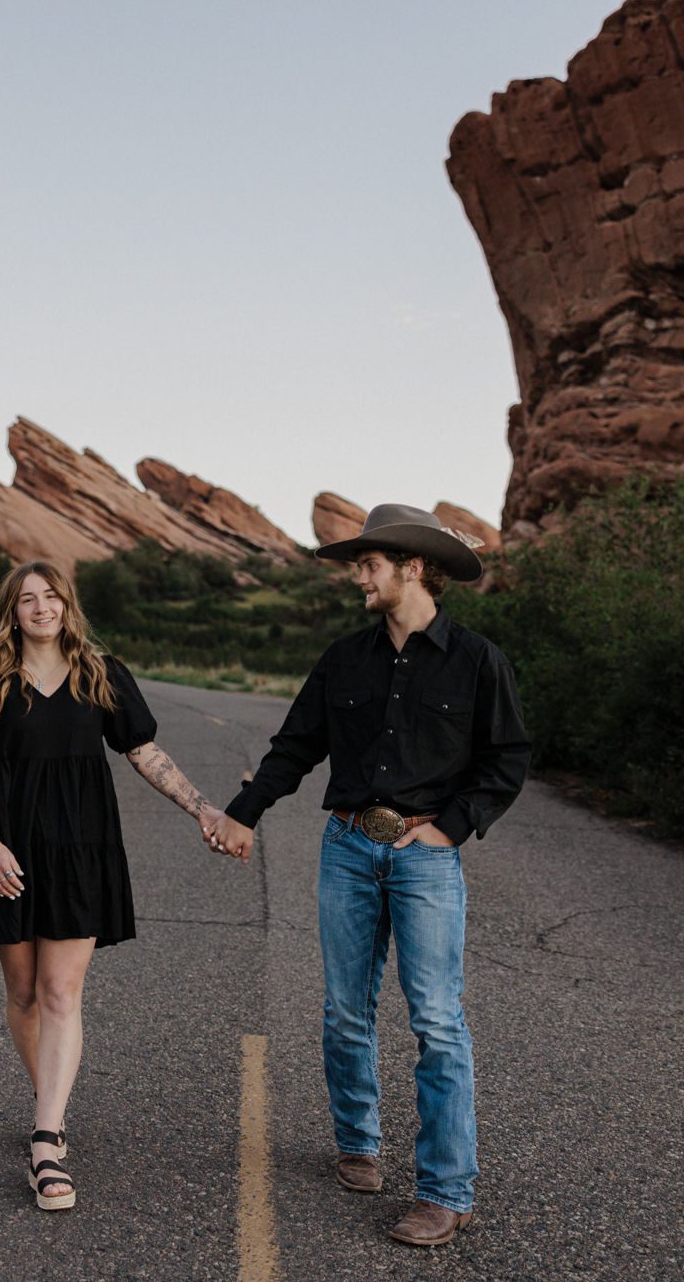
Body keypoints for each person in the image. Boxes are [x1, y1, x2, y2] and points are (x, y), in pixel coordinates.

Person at [205, 504, 529, 1248]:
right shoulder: (345, 658)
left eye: (369, 564)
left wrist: (446, 829)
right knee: (345, 1010)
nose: (359, 576)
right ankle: (358, 1142)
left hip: (426, 857)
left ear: (413, 567)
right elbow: (294, 747)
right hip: (347, 848)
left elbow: (507, 758)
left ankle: (446, 1193)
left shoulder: (478, 660)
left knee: (438, 1022)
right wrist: (243, 813)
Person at [0, 558, 229, 1211]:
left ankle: (46, 1137)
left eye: (51, 597)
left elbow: (145, 752)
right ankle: (51, 1096)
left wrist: (202, 807)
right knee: (22, 993)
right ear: (11, 611)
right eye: (27, 599)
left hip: (80, 850)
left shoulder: (103, 672)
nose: (41, 608)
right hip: (7, 847)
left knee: (60, 990)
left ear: (67, 606)